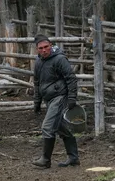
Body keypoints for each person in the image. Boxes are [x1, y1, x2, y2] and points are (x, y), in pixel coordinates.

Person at [32, 34, 80, 169]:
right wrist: (37, 102)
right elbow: (37, 83)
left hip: (60, 97)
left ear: (51, 46)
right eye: (40, 48)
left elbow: (71, 78)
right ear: (37, 49)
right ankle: (73, 158)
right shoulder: (38, 62)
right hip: (49, 98)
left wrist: (71, 98)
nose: (44, 50)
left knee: (47, 127)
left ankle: (45, 160)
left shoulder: (59, 59)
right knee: (61, 127)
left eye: (46, 47)